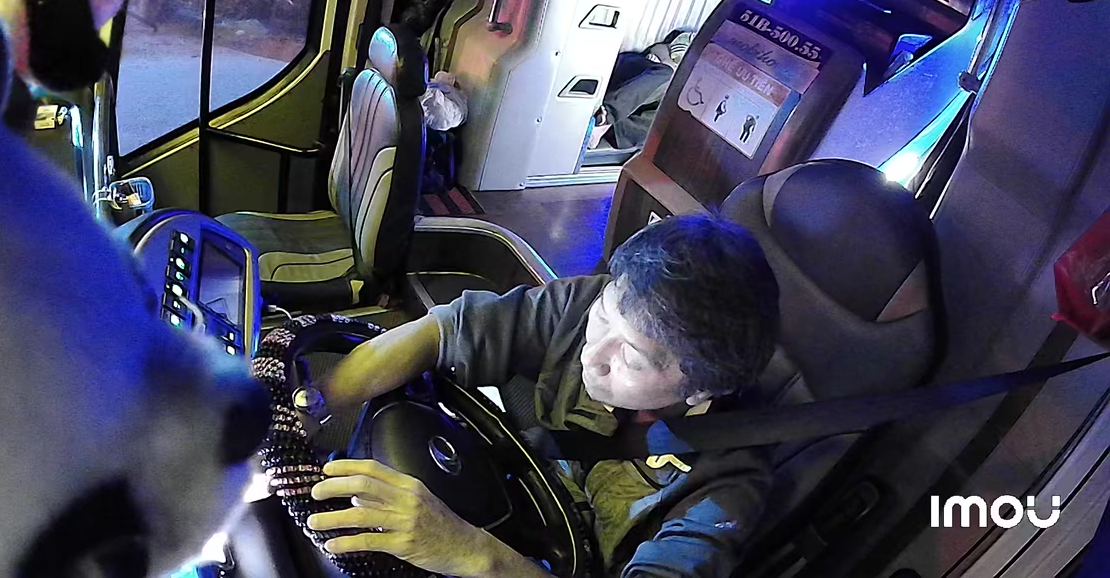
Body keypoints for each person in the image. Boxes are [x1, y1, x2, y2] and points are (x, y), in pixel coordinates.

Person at [303, 214, 780, 577]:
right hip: (523, 486)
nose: (592, 355)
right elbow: (445, 330)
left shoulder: (726, 490)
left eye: (632, 360)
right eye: (604, 317)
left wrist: (469, 553)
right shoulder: (603, 303)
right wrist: (318, 402)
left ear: (702, 388)